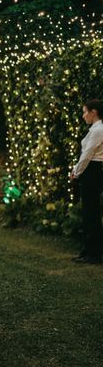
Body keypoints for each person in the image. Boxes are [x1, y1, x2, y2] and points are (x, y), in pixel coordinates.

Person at [70, 99, 103, 264]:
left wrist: (76, 172)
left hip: (92, 171)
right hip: (91, 171)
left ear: (93, 112)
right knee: (89, 212)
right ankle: (89, 250)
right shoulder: (95, 129)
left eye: (85, 112)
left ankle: (94, 253)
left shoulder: (98, 130)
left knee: (91, 213)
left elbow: (87, 154)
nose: (83, 116)